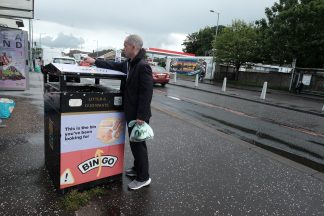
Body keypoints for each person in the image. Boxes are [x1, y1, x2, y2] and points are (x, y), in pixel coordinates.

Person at [83, 34, 153, 190]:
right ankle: (137, 169)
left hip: (138, 115)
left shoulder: (142, 66)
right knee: (135, 142)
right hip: (132, 112)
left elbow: (146, 93)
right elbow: (113, 66)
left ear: (134, 47)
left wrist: (141, 116)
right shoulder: (129, 63)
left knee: (138, 144)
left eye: (125, 45)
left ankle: (144, 177)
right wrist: (95, 62)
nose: (123, 48)